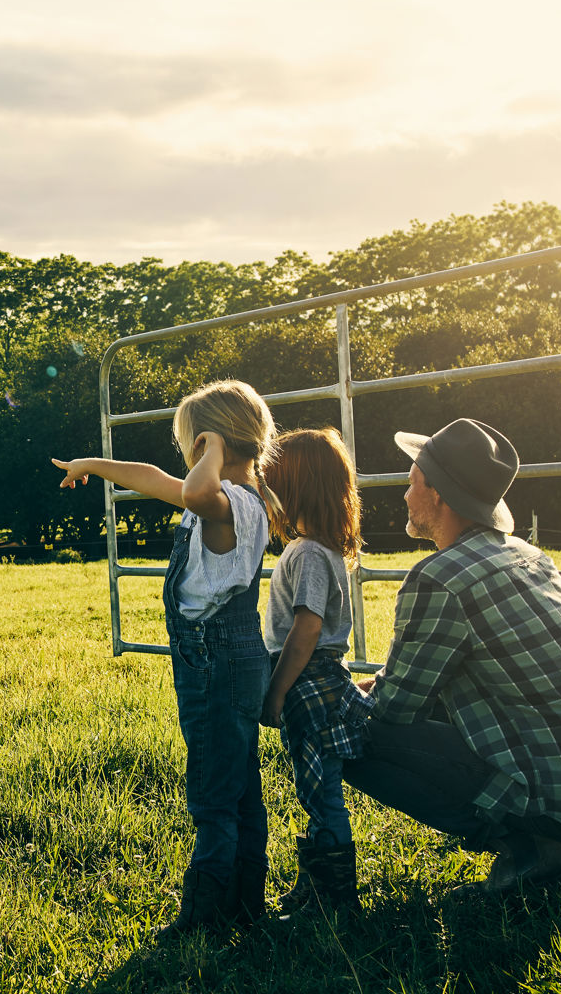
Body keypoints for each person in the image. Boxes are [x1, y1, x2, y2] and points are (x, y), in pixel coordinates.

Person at [344, 418, 561, 896]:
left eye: (412, 481)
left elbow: (397, 708)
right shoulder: (525, 554)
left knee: (346, 733)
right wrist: (378, 685)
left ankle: (535, 846)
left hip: (557, 784)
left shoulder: (438, 577)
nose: (404, 494)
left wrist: (337, 699)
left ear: (437, 494)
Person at [51, 379, 276, 936]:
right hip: (232, 657)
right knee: (239, 784)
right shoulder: (229, 497)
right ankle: (247, 903)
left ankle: (204, 919)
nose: (185, 460)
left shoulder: (229, 503)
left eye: (191, 446)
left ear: (208, 446)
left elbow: (196, 491)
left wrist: (212, 450)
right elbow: (155, 480)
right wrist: (92, 464)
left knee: (212, 793)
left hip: (214, 661)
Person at [259, 428, 372, 916]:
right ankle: (323, 888)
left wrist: (276, 692)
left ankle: (333, 896)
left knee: (320, 790)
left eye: (272, 482)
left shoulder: (306, 552)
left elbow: (307, 628)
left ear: (294, 489)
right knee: (316, 785)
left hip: (307, 683)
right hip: (322, 681)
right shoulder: (321, 548)